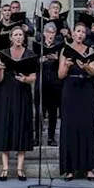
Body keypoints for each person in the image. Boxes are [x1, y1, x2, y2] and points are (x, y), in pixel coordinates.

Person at [58, 23, 94, 180]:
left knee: (86, 126)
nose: (81, 34)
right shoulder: (65, 50)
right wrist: (67, 65)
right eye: (78, 31)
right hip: (70, 88)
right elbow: (60, 75)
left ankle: (89, 168)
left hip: (86, 89)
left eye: (83, 32)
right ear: (73, 33)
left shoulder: (90, 50)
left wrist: (86, 66)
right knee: (70, 126)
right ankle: (70, 169)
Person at [0, 25, 36, 181]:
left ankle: (20, 167)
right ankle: (4, 167)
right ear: (11, 37)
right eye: (16, 35)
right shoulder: (3, 54)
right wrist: (0, 68)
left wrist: (26, 79)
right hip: (7, 92)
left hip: (23, 92)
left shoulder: (30, 54)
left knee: (22, 126)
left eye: (21, 35)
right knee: (6, 126)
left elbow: (34, 76)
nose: (18, 37)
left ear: (23, 38)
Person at [38, 17, 64, 146]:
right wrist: (40, 60)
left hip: (54, 83)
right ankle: (37, 137)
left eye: (52, 32)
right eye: (48, 32)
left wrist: (57, 59)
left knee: (53, 112)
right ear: (44, 33)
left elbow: (63, 65)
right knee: (39, 111)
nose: (50, 35)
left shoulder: (59, 47)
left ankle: (51, 137)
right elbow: (30, 64)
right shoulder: (38, 46)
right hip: (41, 82)